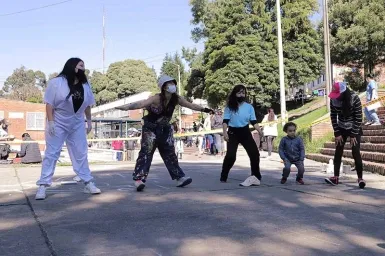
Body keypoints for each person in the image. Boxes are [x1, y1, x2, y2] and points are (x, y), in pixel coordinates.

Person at [116, 75, 213, 191]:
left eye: (173, 83)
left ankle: (179, 178)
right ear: (163, 87)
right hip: (150, 129)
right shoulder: (156, 98)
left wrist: (205, 110)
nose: (172, 86)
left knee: (170, 154)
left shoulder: (176, 99)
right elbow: (141, 104)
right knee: (146, 153)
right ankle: (139, 179)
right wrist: (126, 108)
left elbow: (191, 105)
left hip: (165, 129)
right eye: (169, 84)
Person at [35, 57, 101, 200]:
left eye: (84, 66)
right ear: (72, 66)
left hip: (77, 121)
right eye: (80, 65)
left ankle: (88, 182)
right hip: (59, 120)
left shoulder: (85, 85)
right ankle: (43, 185)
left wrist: (89, 121)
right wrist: (51, 122)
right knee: (52, 153)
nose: (83, 68)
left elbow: (88, 104)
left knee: (81, 151)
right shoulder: (56, 83)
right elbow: (49, 104)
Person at [220, 84, 263, 186]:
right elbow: (225, 121)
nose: (241, 95)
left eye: (243, 93)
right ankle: (224, 174)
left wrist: (260, 131)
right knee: (231, 156)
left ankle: (256, 176)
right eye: (239, 93)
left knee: (254, 154)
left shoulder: (249, 107)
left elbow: (253, 121)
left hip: (245, 132)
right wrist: (225, 133)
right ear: (235, 94)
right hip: (232, 133)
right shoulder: (229, 107)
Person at [325, 82, 365, 188]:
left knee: (355, 151)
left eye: (337, 95)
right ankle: (336, 177)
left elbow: (359, 117)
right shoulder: (333, 99)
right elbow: (333, 116)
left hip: (354, 127)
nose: (335, 98)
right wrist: (337, 132)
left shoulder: (354, 98)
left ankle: (360, 178)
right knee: (338, 150)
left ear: (343, 93)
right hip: (341, 126)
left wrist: (353, 134)